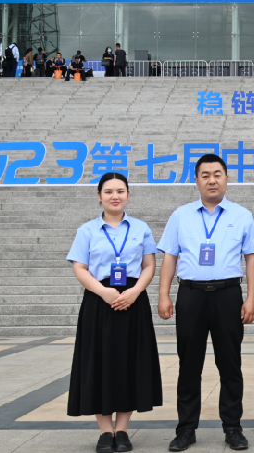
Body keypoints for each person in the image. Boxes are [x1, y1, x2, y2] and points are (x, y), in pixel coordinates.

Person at [157, 154, 254, 452]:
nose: (212, 180)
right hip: (191, 295)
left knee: (230, 364)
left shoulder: (242, 215)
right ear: (196, 180)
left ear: (227, 178)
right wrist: (163, 294)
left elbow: (251, 259)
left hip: (228, 295)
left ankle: (233, 427)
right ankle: (186, 429)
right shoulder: (181, 215)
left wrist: (252, 297)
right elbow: (170, 257)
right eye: (205, 175)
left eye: (217, 174)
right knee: (189, 364)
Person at [67, 173, 163, 453]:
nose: (115, 196)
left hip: (133, 301)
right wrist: (103, 291)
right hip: (99, 302)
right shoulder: (87, 230)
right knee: (99, 363)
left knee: (129, 362)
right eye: (108, 191)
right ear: (99, 196)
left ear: (128, 195)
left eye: (120, 191)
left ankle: (121, 430)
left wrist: (135, 292)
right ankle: (105, 431)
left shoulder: (141, 228)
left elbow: (149, 265)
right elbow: (79, 267)